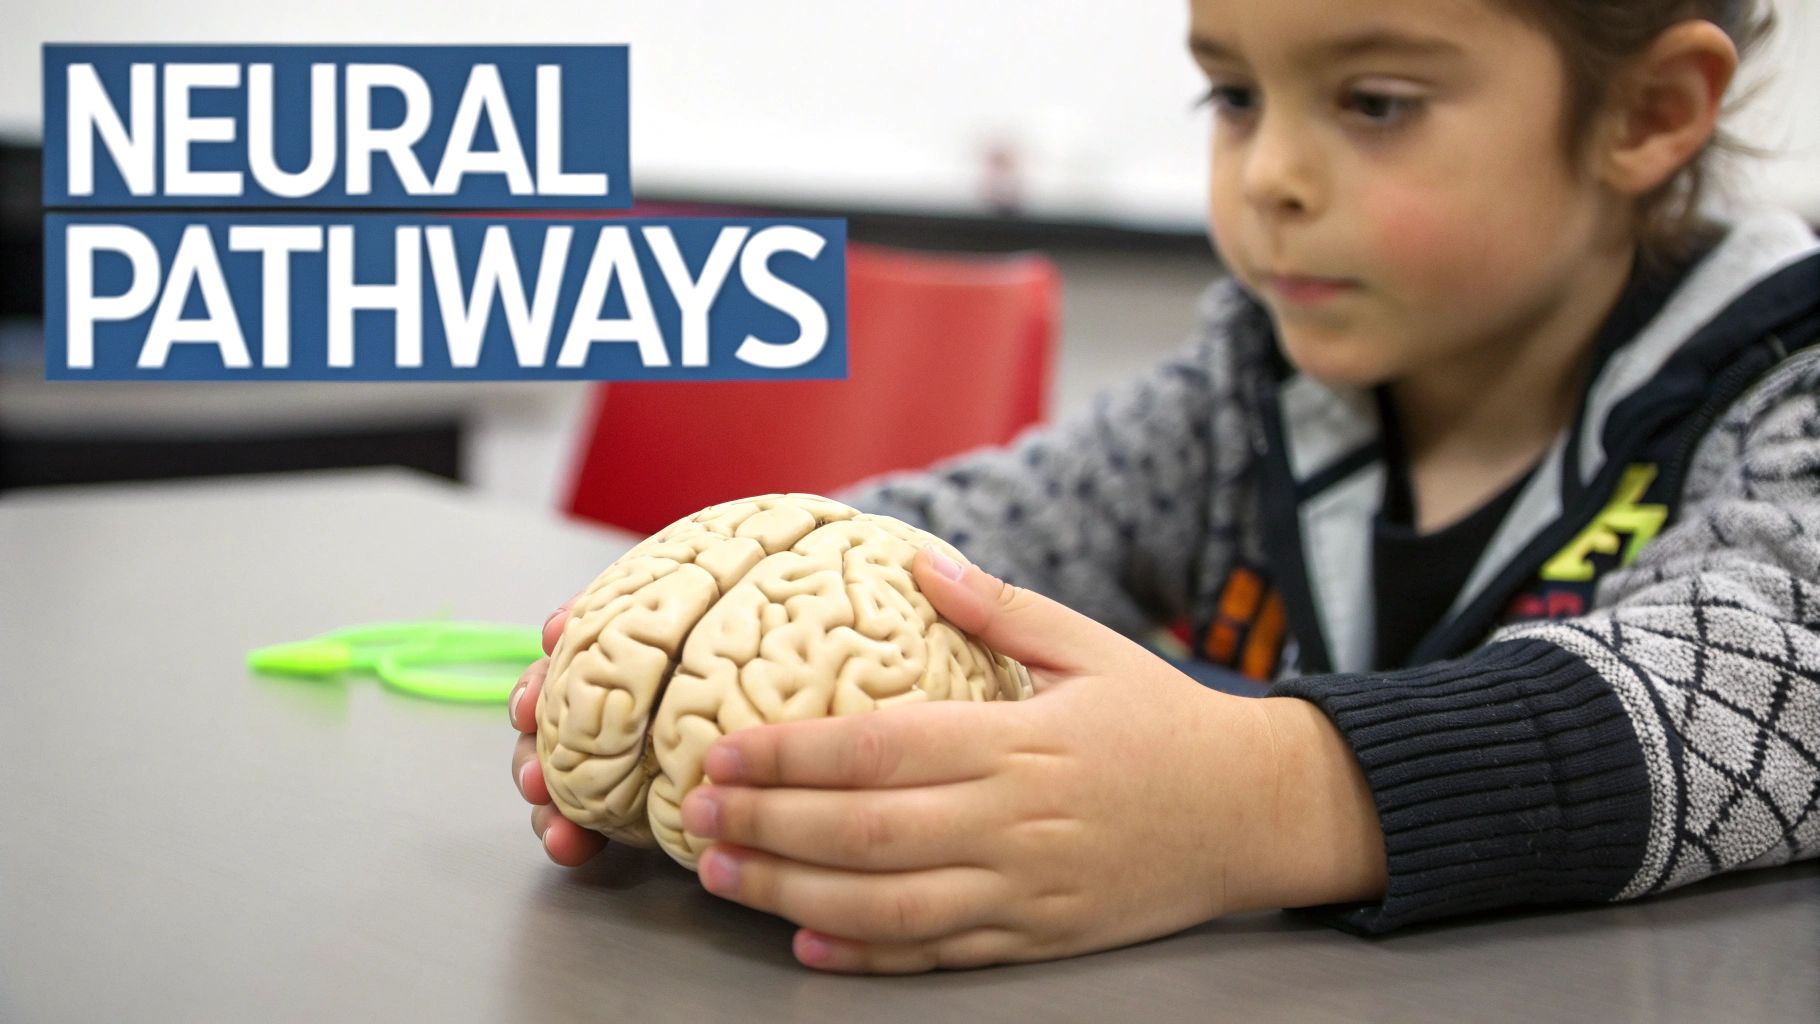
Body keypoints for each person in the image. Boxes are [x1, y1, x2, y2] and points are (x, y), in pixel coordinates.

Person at [510, 0, 1820, 973]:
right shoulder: (1251, 394)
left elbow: (1776, 685)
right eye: (1234, 97)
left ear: (1648, 113)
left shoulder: (1780, 382)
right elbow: (1004, 527)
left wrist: (1268, 798)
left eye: (1375, 103)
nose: (1267, 179)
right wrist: (714, 651)